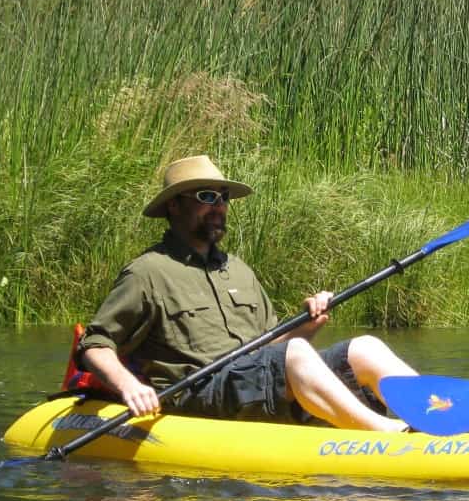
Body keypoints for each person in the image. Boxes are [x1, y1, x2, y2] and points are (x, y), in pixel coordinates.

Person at [77, 155, 413, 432]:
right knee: (295, 351)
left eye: (223, 197)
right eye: (206, 197)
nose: (219, 206)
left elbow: (273, 347)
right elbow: (95, 344)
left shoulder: (237, 270)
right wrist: (129, 386)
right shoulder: (147, 272)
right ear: (174, 207)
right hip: (201, 393)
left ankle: (436, 415)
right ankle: (388, 435)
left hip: (254, 382)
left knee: (365, 348)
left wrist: (311, 323)